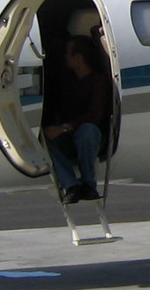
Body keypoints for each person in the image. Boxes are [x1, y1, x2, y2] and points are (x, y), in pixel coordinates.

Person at [42, 35, 112, 203]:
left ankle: (89, 184)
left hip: (90, 137)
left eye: (68, 53)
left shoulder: (98, 81)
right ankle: (71, 185)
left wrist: (65, 128)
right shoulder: (67, 82)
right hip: (69, 136)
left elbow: (95, 115)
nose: (65, 57)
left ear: (78, 57)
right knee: (44, 140)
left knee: (87, 131)